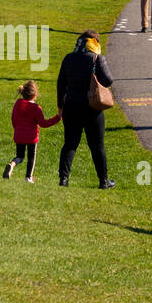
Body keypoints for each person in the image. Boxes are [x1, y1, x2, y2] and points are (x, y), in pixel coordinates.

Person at [56, 29, 116, 189]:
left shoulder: (68, 58)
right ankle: (103, 181)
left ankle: (63, 179)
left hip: (71, 106)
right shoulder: (97, 58)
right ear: (95, 43)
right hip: (92, 108)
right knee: (97, 146)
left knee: (70, 144)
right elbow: (109, 80)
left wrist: (60, 106)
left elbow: (61, 84)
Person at [4, 79, 60, 183]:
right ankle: (28, 177)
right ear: (35, 94)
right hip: (31, 137)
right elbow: (43, 123)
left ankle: (12, 165)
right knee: (31, 157)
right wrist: (57, 117)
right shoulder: (36, 108)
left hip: (19, 135)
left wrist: (17, 129)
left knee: (20, 156)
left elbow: (13, 119)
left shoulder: (17, 104)